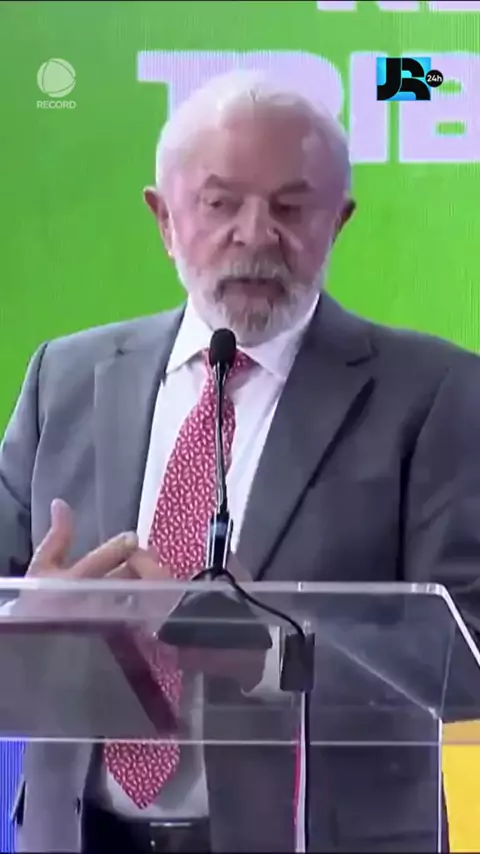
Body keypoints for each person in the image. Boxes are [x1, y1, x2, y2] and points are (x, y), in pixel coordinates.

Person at [1, 68, 480, 853]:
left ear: (339, 221)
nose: (256, 235)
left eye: (291, 208)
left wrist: (272, 652)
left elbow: (469, 649)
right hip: (78, 833)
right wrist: (27, 622)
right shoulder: (65, 377)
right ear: (164, 218)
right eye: (221, 203)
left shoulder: (435, 393)